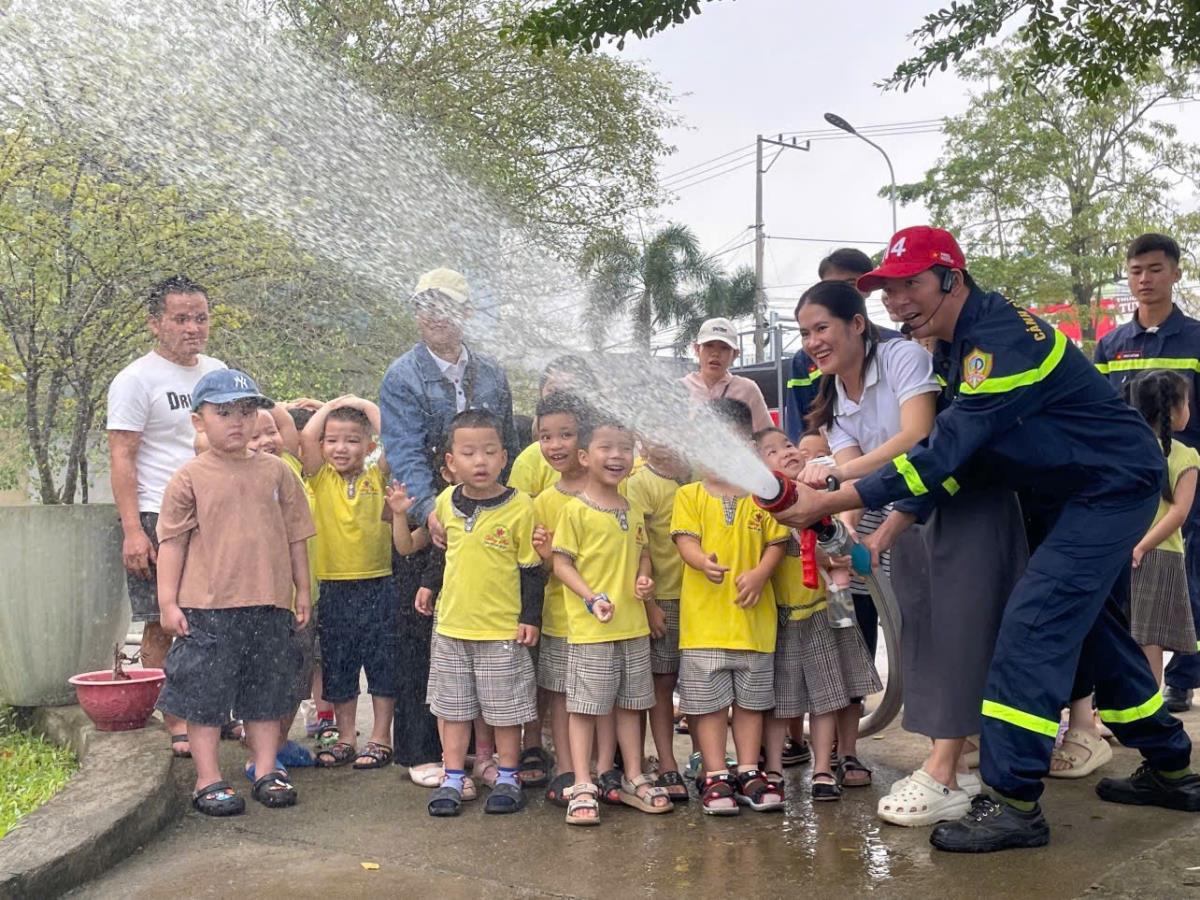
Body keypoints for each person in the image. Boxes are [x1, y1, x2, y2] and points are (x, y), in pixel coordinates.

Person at [771, 225, 1198, 853]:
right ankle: (1171, 768)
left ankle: (1014, 802)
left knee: (1030, 628)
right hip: (1062, 493)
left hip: (1109, 488)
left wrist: (832, 498)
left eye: (911, 285)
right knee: (1096, 635)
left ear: (952, 278)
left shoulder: (998, 341)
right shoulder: (955, 347)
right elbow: (964, 459)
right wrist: (893, 521)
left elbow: (943, 452)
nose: (897, 302)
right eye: (888, 290)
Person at [795, 277, 1027, 825]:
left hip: (962, 503)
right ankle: (959, 764)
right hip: (908, 513)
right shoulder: (834, 395)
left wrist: (832, 479)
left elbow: (918, 438)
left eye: (822, 328)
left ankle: (946, 769)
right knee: (922, 631)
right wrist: (849, 533)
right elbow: (856, 484)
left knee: (960, 633)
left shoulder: (901, 357)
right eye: (804, 333)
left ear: (857, 324)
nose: (813, 342)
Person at [154, 369, 315, 816]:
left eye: (246, 411)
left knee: (266, 695)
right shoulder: (189, 477)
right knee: (203, 698)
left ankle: (266, 769)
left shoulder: (277, 472)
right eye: (223, 412)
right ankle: (208, 778)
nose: (237, 421)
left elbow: (296, 537)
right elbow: (172, 544)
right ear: (198, 420)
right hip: (207, 608)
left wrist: (302, 590)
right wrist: (168, 602)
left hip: (269, 603)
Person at [379, 268, 519, 777]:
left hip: (488, 520)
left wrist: (507, 503)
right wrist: (430, 509)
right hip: (428, 522)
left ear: (466, 313)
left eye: (446, 306)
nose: (435, 316)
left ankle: (485, 756)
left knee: (486, 631)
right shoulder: (402, 376)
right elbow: (404, 452)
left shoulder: (492, 374)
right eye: (425, 306)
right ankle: (421, 751)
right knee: (420, 631)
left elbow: (508, 445)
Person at [107, 276, 227, 758]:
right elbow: (122, 457)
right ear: (155, 323)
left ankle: (212, 712)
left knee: (216, 615)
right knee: (162, 619)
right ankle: (175, 718)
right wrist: (132, 530)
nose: (193, 328)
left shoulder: (217, 372)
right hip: (158, 513)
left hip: (216, 510)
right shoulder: (136, 379)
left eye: (200, 318)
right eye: (180, 319)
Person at [416, 409, 545, 816]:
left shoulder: (522, 507)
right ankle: (453, 776)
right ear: (451, 462)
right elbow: (444, 552)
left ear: (504, 457)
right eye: (469, 453)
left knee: (505, 711)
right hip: (452, 628)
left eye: (490, 452)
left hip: (501, 631)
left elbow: (531, 569)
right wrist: (428, 584)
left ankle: (507, 775)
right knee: (453, 709)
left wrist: (530, 618)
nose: (480, 461)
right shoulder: (444, 502)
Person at [1096, 234, 1200, 714]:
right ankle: (1135, 682)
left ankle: (1184, 677)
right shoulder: (1112, 345)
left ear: (1176, 273)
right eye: (1136, 271)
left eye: (1155, 269)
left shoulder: (1195, 339)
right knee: (1135, 585)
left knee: (1190, 577)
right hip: (1129, 486)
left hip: (1187, 477)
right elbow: (1099, 414)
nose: (1145, 279)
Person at [671, 398, 789, 816]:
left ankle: (749, 769)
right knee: (708, 706)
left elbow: (777, 542)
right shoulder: (689, 495)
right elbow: (685, 540)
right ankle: (715, 773)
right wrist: (700, 561)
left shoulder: (764, 495)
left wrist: (760, 574)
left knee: (752, 704)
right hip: (704, 627)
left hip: (754, 626)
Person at [552, 416, 672, 825]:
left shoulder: (633, 509)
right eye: (606, 447)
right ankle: (583, 783)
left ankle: (633, 775)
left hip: (633, 628)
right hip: (593, 632)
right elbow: (561, 563)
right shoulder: (575, 511)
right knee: (585, 708)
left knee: (631, 705)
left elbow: (642, 555)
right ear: (584, 456)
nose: (616, 455)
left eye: (624, 447)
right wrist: (590, 598)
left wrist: (644, 580)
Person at [755, 427, 881, 803]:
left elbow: (856, 558)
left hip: (833, 608)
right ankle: (773, 768)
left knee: (835, 690)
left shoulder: (827, 498)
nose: (786, 452)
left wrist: (844, 547)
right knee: (780, 699)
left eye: (788, 444)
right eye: (772, 451)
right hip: (784, 615)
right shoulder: (761, 508)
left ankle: (827, 766)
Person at [300, 395, 398, 770]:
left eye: (352, 440)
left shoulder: (377, 476)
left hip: (379, 583)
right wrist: (329, 407)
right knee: (339, 663)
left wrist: (362, 403)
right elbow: (306, 438)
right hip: (334, 587)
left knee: (382, 662)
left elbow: (395, 435)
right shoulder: (320, 477)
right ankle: (345, 737)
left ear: (369, 446)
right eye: (332, 440)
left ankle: (381, 737)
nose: (341, 448)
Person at [528, 391, 592, 806]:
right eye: (546, 437)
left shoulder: (612, 491)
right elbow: (544, 568)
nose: (555, 445)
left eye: (566, 434)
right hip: (561, 617)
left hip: (609, 618)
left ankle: (601, 767)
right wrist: (548, 556)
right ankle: (568, 768)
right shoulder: (543, 503)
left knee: (604, 696)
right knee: (563, 696)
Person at [625, 437, 692, 803]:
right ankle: (667, 762)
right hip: (663, 597)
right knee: (662, 684)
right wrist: (650, 605)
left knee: (700, 685)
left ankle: (705, 758)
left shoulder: (696, 477)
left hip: (704, 598)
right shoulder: (640, 484)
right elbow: (639, 546)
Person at [1126, 371, 1199, 684]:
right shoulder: (1186, 456)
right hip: (1159, 553)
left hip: (1126, 552)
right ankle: (1149, 703)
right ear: (1173, 410)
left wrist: (1135, 545)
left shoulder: (1126, 449)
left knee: (1130, 636)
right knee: (1149, 640)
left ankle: (1129, 703)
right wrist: (1143, 547)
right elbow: (1179, 513)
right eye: (1187, 403)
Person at [509, 355, 596, 498]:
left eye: (571, 390)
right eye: (554, 390)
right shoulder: (531, 458)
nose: (561, 398)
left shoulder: (604, 452)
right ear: (540, 392)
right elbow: (517, 507)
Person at [679, 317, 772, 432]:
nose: (715, 353)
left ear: (735, 354)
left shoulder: (748, 390)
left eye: (724, 348)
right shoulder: (680, 388)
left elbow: (768, 436)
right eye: (709, 345)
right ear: (697, 349)